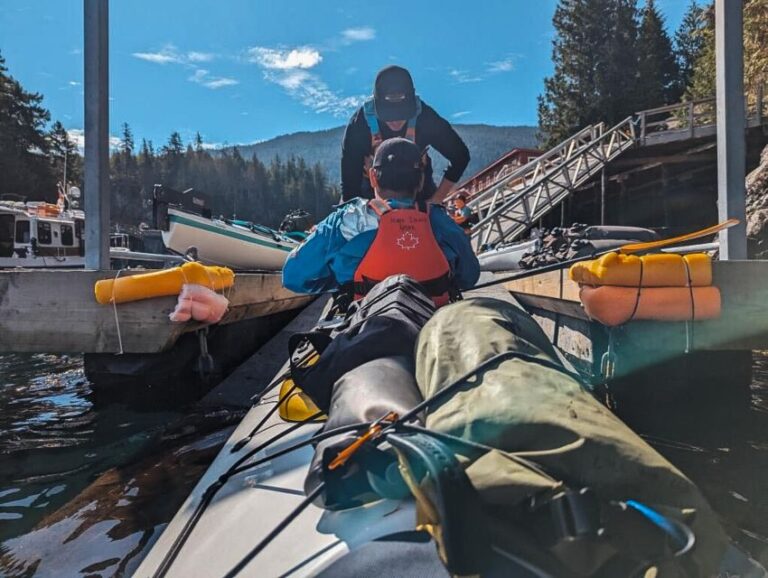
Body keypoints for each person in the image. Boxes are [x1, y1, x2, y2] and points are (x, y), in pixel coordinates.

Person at [283, 138, 479, 305]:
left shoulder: (344, 222)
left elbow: (293, 277)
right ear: (420, 181)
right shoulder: (441, 221)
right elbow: (470, 276)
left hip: (365, 328)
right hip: (432, 330)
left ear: (373, 178)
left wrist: (341, 283)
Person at [340, 65, 470, 204]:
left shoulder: (425, 118)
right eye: (389, 116)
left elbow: (460, 156)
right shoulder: (359, 124)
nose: (395, 121)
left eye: (402, 114)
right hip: (371, 195)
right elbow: (349, 187)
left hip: (418, 191)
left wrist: (436, 200)